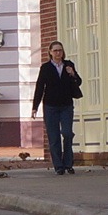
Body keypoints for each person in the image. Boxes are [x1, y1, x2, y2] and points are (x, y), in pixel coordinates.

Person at [33, 40, 83, 175]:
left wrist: (72, 73)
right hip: (50, 106)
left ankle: (68, 163)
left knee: (67, 133)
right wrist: (35, 107)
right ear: (50, 52)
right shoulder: (46, 68)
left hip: (66, 105)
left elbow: (78, 82)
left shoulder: (68, 65)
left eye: (60, 50)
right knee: (54, 136)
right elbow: (39, 87)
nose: (58, 53)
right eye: (55, 50)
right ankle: (59, 166)